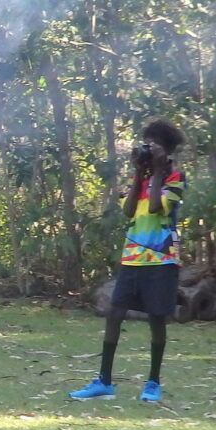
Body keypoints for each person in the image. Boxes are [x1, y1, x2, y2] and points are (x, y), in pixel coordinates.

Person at [72, 121, 187, 403]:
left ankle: (153, 382)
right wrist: (139, 174)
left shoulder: (175, 177)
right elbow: (127, 210)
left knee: (157, 320)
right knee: (115, 314)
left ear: (167, 151)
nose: (147, 150)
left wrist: (159, 172)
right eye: (145, 144)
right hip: (133, 257)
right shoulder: (144, 178)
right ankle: (104, 381)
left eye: (153, 146)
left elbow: (158, 207)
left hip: (161, 259)